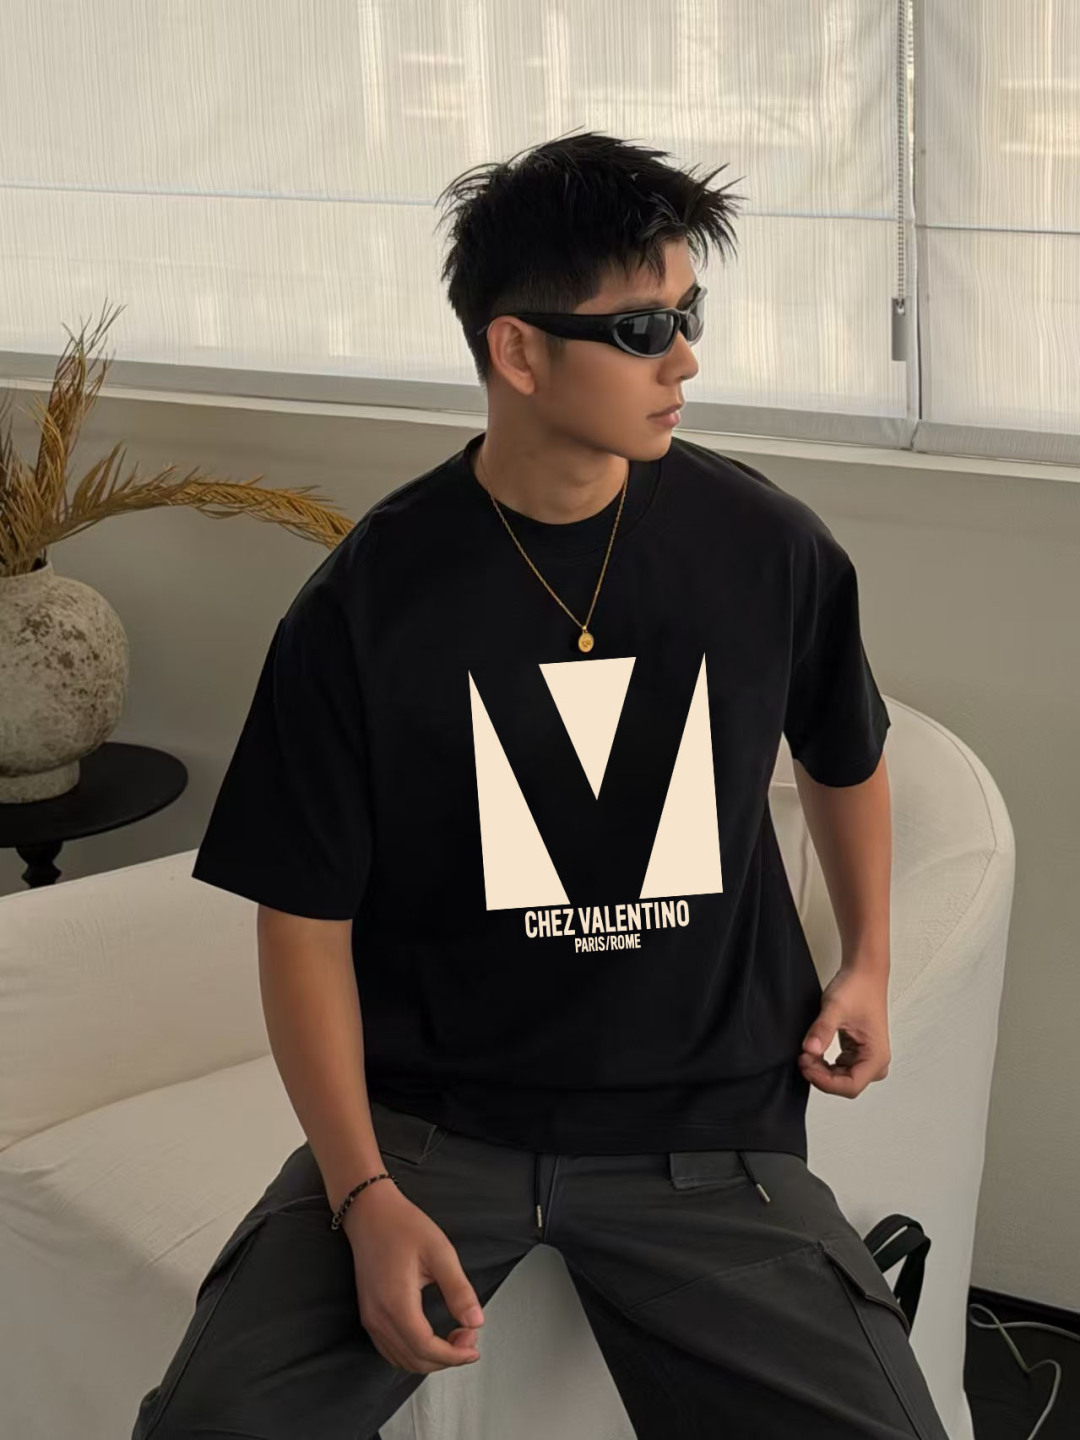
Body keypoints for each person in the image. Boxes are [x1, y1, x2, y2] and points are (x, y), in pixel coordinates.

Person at [131, 129, 949, 1439]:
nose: (686, 360)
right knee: (212, 1423)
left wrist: (869, 962)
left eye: (690, 316)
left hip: (707, 1132)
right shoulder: (367, 605)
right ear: (517, 352)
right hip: (433, 1129)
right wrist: (361, 1192)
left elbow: (843, 754)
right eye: (642, 330)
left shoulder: (766, 549)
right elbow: (303, 928)